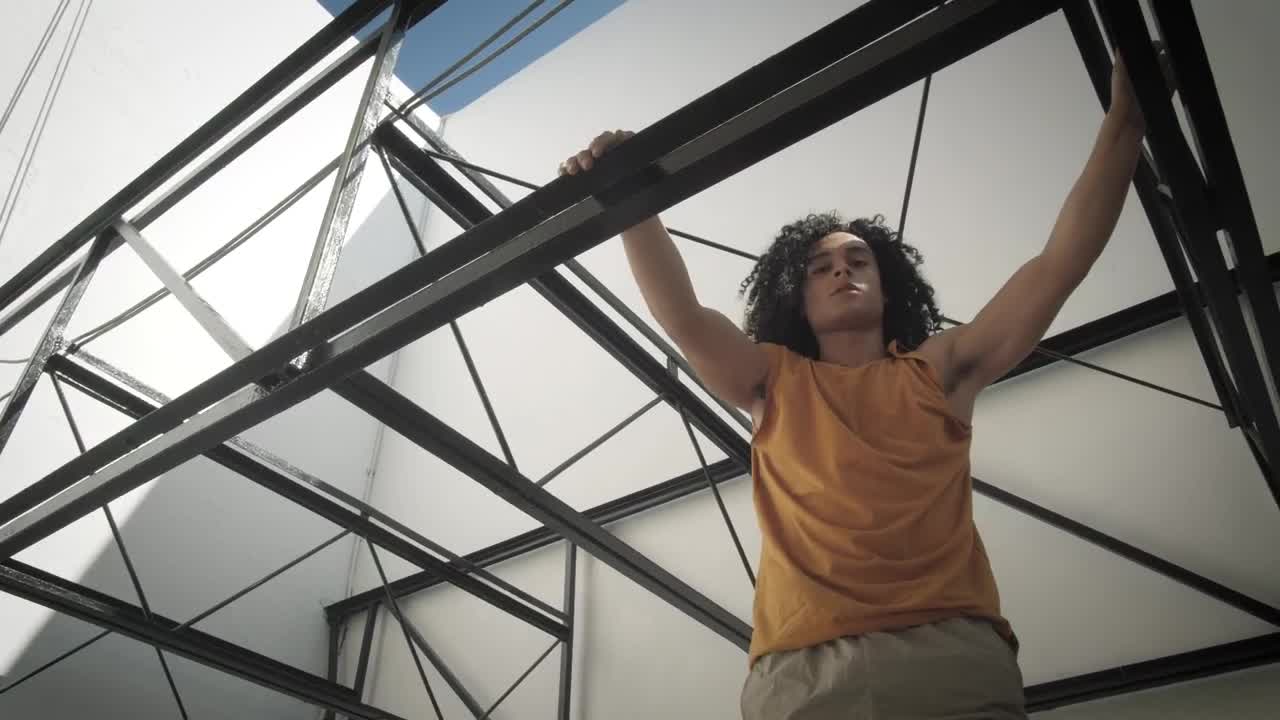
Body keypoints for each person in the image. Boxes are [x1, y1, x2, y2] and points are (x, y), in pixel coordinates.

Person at [559, 56, 1146, 719]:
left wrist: (1126, 122)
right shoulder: (772, 378)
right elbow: (685, 317)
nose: (842, 271)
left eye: (858, 259)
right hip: (805, 671)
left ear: (887, 287)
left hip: (952, 656)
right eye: (821, 267)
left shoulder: (940, 369)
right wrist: (631, 201)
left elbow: (1058, 266)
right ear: (798, 297)